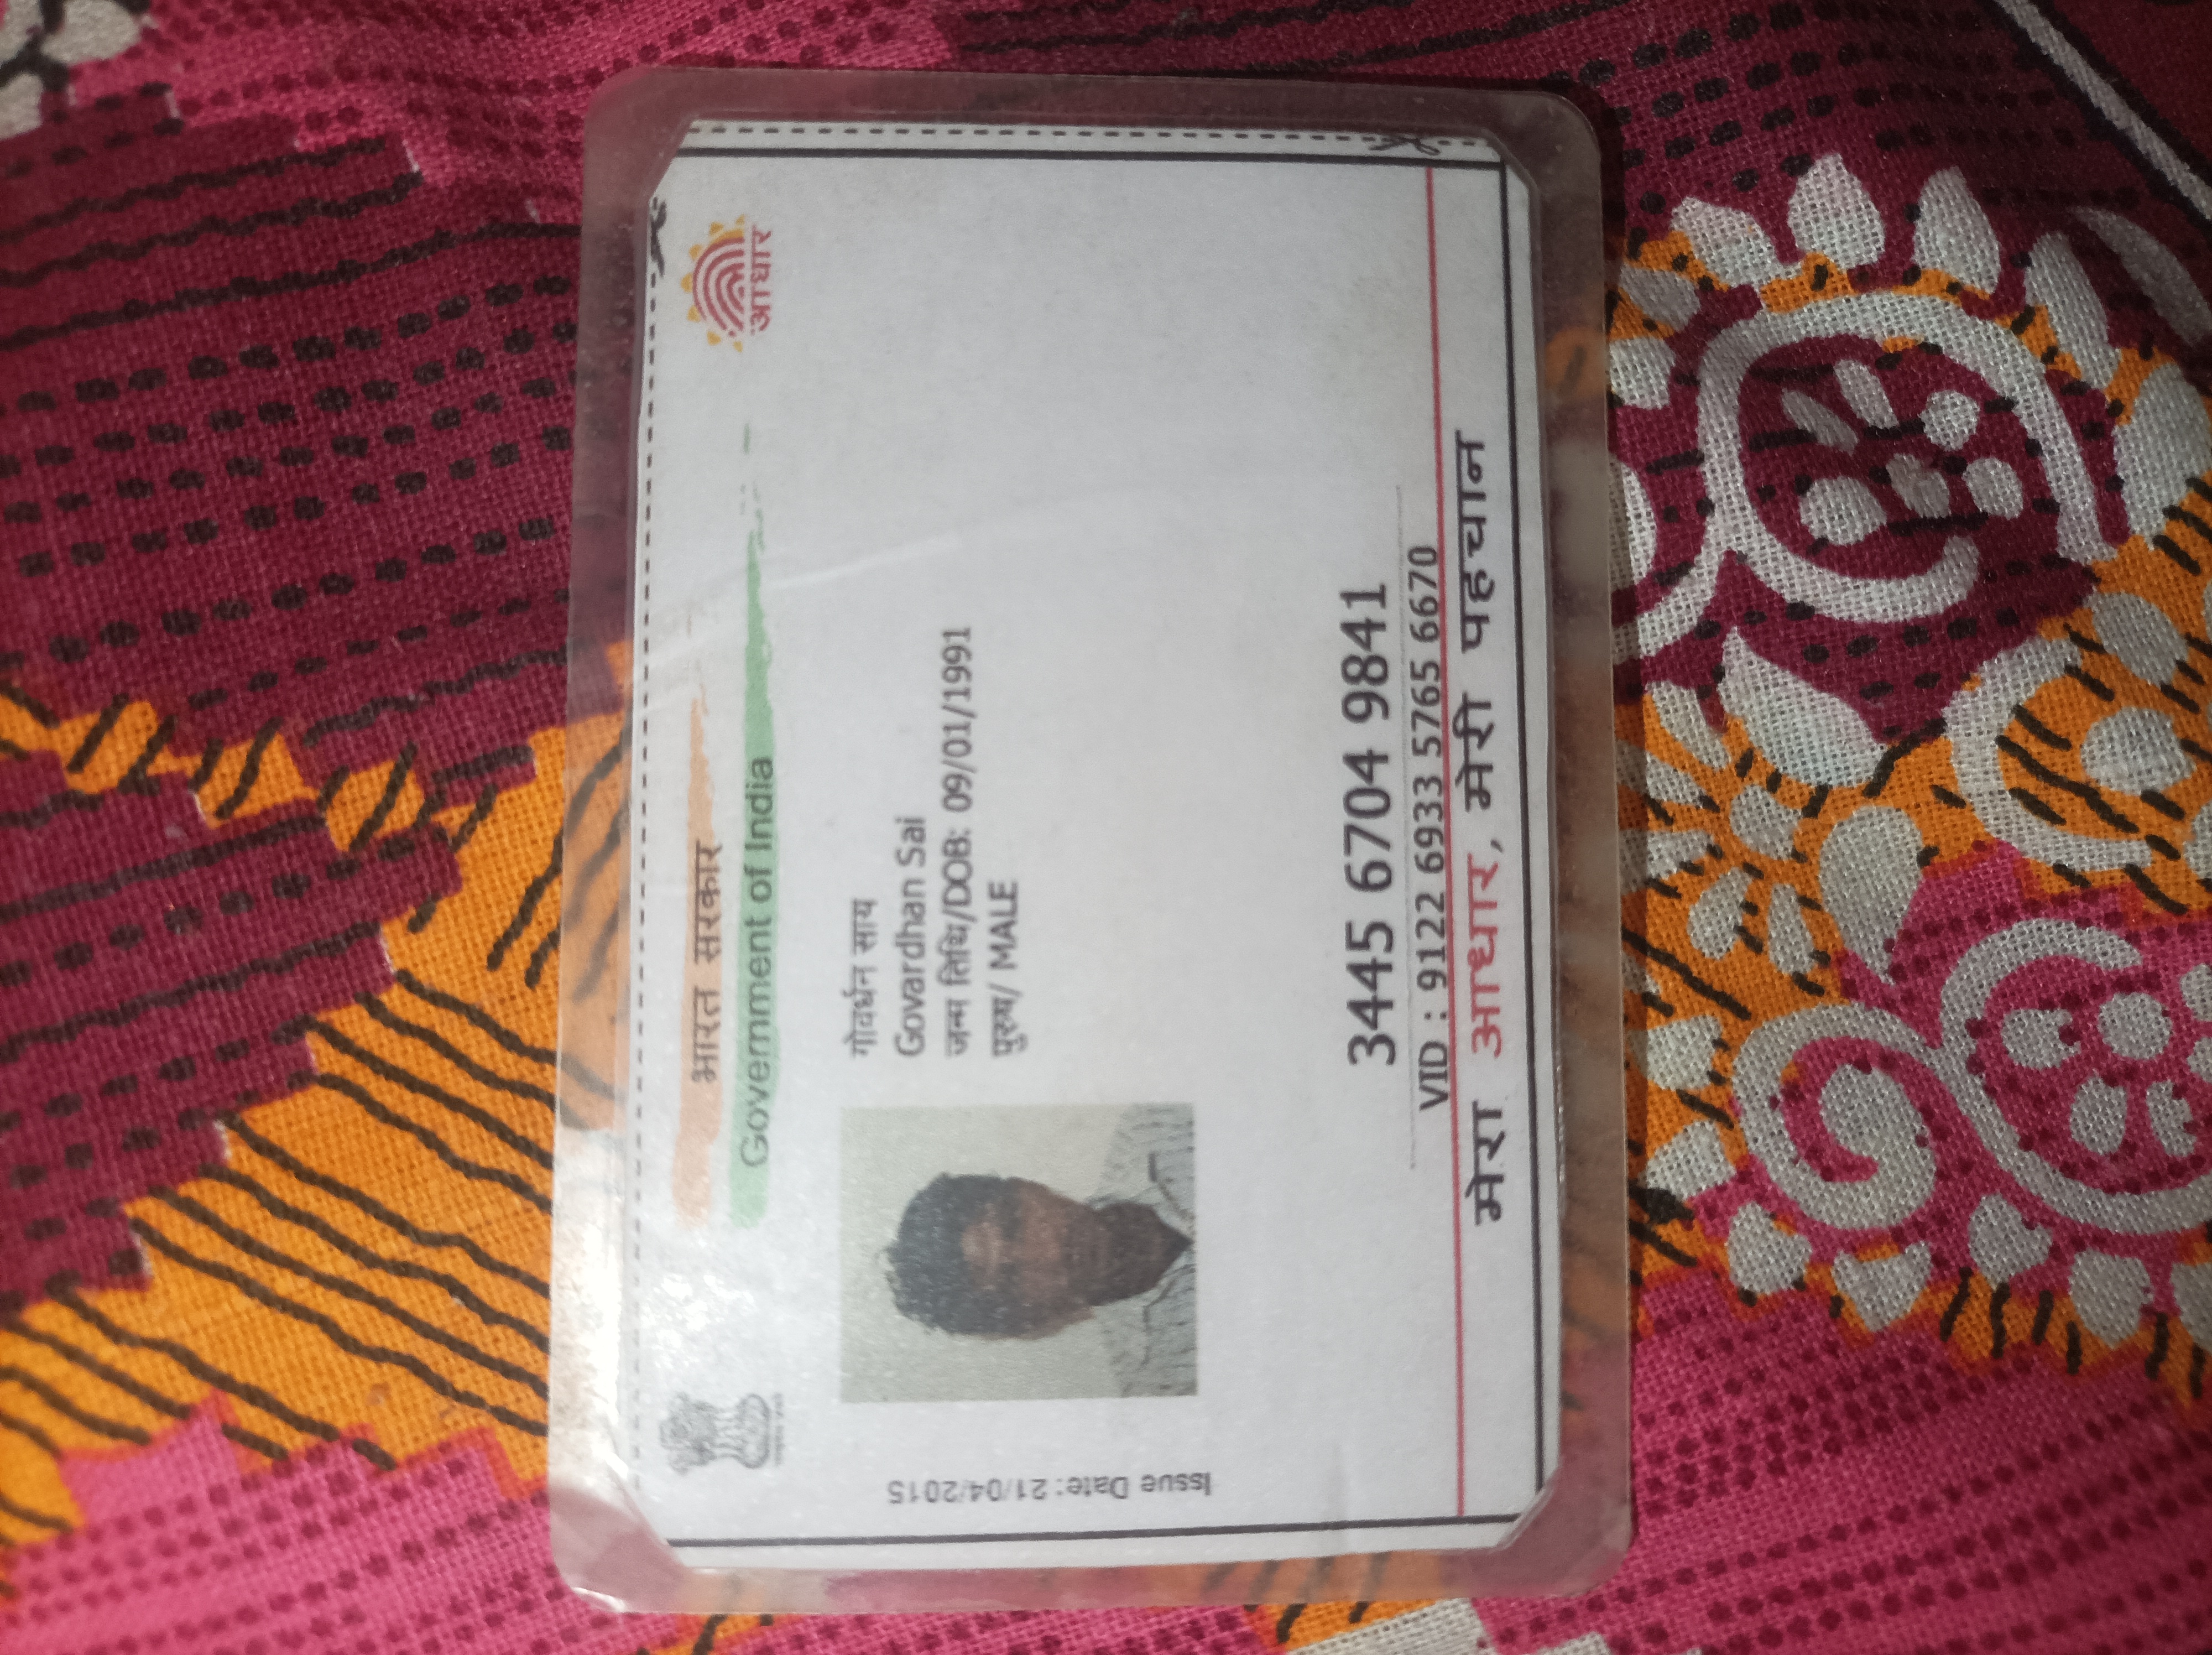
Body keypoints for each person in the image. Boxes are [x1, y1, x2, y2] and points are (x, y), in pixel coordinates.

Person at [884, 1105, 1195, 1396]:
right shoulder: (1164, 1382)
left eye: (1014, 1225)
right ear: (1029, 1320)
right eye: (1011, 1278)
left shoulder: (1164, 1124)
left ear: (1029, 1186)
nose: (1051, 1253)